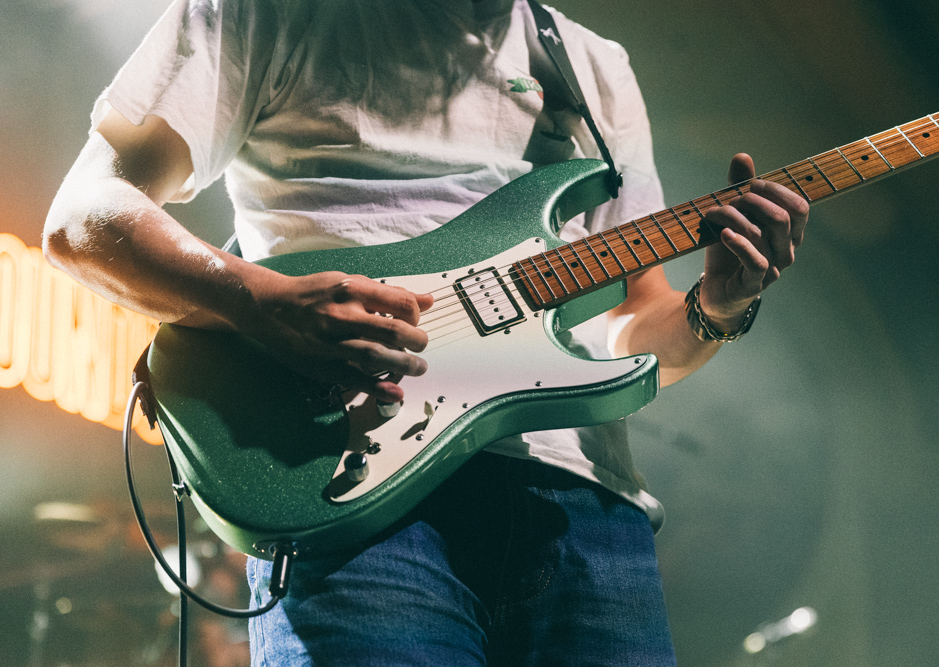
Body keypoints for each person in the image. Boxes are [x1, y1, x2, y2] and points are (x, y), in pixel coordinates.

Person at [44, 0, 808, 664]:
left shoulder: (591, 65)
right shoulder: (261, 11)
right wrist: (261, 300)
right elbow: (84, 216)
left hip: (583, 509)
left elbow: (629, 329)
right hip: (354, 494)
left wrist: (719, 304)